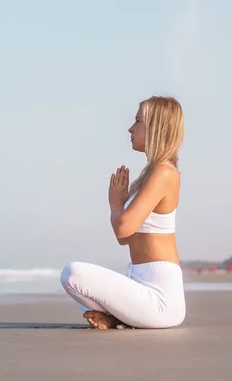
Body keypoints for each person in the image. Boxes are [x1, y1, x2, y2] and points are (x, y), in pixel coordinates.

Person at [60, 96, 186, 329]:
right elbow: (124, 238)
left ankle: (119, 317)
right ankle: (116, 318)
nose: (130, 128)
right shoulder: (151, 175)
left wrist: (116, 205)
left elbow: (123, 227)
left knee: (72, 273)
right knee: (72, 278)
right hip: (138, 280)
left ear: (156, 128)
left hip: (160, 297)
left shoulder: (165, 173)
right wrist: (118, 207)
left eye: (138, 121)